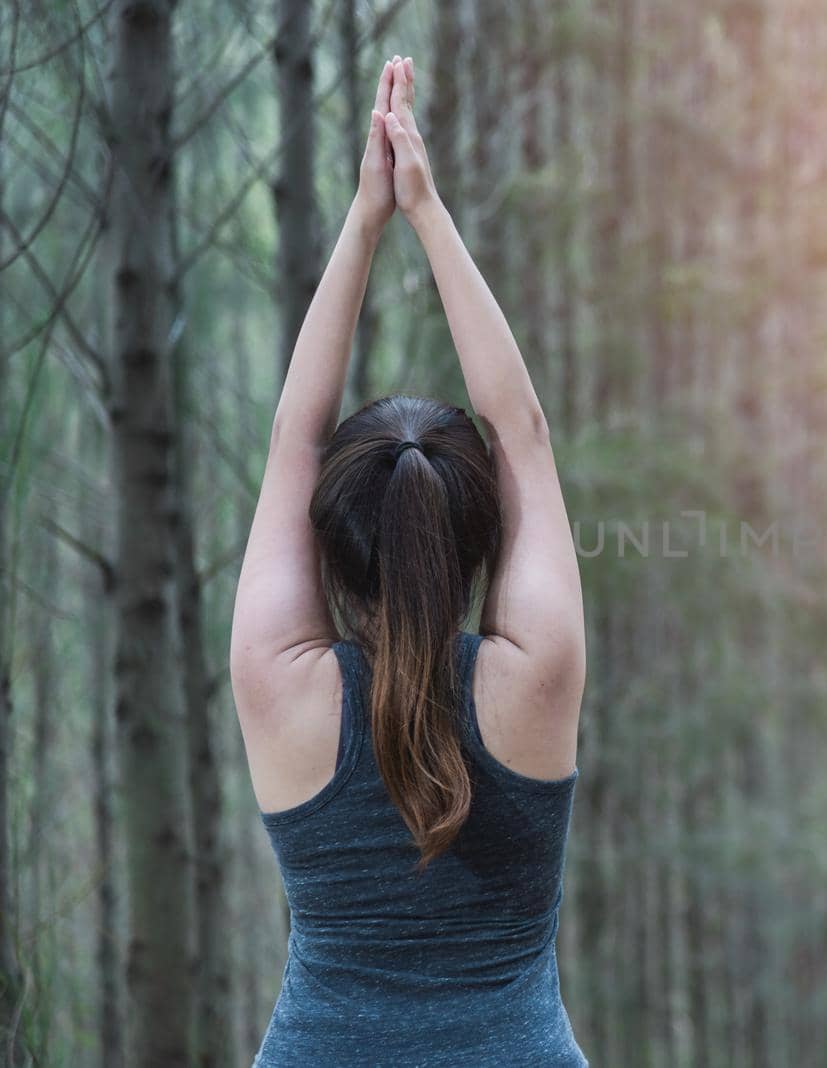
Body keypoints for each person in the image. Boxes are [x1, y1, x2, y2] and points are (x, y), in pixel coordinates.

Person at [230, 55, 588, 1067]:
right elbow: (520, 432)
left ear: (328, 549)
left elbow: (292, 440)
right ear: (484, 540)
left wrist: (365, 217)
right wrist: (425, 211)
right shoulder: (537, 677)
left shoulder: (280, 689)